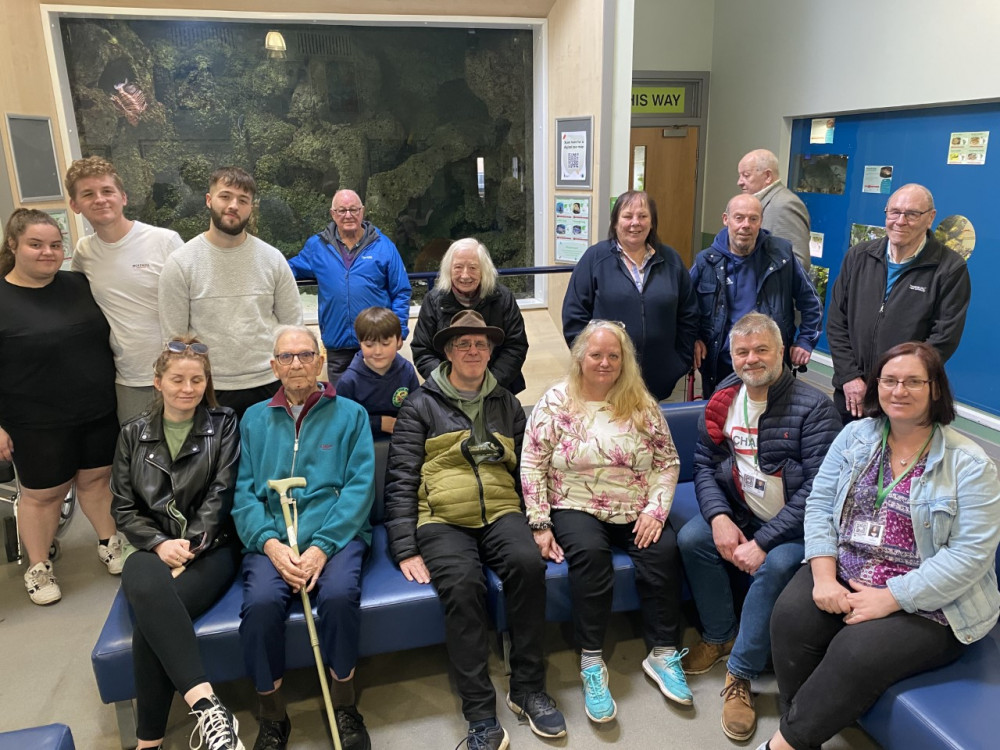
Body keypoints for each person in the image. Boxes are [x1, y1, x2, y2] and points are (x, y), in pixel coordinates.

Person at [761, 342, 1000, 750]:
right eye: (889, 380)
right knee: (790, 618)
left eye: (912, 382)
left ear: (935, 389)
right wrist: (822, 577)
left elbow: (970, 556)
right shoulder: (856, 435)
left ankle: (782, 745)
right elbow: (819, 504)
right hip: (849, 568)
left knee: (855, 652)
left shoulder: (970, 463)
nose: (898, 390)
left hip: (931, 600)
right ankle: (800, 727)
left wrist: (891, 598)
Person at [385, 310, 566, 750]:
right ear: (447, 352)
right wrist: (406, 547)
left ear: (491, 352)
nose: (472, 351)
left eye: (480, 344)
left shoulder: (505, 402)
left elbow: (529, 470)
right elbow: (402, 478)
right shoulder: (421, 404)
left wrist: (539, 524)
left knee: (528, 566)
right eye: (463, 344)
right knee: (463, 587)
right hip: (442, 518)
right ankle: (481, 714)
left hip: (502, 510)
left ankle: (527, 688)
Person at [676, 313, 841, 742]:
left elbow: (819, 494)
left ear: (782, 352)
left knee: (776, 565)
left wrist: (764, 541)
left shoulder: (815, 407)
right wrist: (718, 517)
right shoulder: (723, 400)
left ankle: (740, 674)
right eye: (742, 352)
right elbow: (705, 464)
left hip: (796, 531)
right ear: (730, 356)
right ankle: (719, 637)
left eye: (761, 350)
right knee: (693, 538)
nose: (751, 360)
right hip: (742, 512)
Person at [521, 319, 692, 723]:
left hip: (634, 503)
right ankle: (592, 661)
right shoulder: (556, 402)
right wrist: (540, 522)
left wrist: (655, 509)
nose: (604, 362)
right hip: (575, 503)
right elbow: (532, 461)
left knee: (663, 550)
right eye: (596, 354)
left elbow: (668, 462)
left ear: (624, 360)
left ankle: (664, 653)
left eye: (613, 356)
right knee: (591, 557)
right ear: (581, 356)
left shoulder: (640, 402)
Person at [232, 325, 374, 750]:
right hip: (272, 536)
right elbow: (243, 494)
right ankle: (273, 716)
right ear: (274, 366)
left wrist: (320, 548)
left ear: (321, 360)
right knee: (258, 606)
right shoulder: (254, 419)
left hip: (337, 534)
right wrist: (269, 544)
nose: (296, 364)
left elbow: (359, 488)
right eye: (287, 357)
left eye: (305, 354)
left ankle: (345, 705)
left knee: (337, 597)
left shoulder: (352, 414)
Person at [112, 337, 243, 750]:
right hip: (148, 549)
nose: (188, 389)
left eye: (197, 380)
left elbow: (222, 495)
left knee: (151, 625)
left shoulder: (224, 424)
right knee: (151, 593)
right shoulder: (132, 434)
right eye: (177, 379)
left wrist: (187, 548)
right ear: (157, 382)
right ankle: (208, 706)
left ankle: (147, 741)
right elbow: (123, 507)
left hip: (212, 547)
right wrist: (156, 544)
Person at [0, 209, 123, 605]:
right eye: (36, 244)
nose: (48, 252)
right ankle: (38, 567)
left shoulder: (79, 284)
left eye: (55, 245)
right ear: (13, 245)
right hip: (34, 420)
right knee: (43, 496)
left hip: (96, 410)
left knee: (96, 481)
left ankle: (110, 542)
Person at [159, 167, 302, 419]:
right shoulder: (181, 262)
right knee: (215, 460)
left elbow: (293, 328)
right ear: (208, 200)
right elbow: (175, 340)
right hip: (210, 388)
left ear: (251, 207)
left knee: (269, 459)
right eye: (225, 196)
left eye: (243, 200)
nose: (233, 205)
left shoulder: (272, 259)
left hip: (268, 383)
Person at [827, 183, 970, 424]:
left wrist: (895, 385)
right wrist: (849, 376)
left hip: (905, 397)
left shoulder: (949, 269)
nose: (900, 221)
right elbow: (836, 322)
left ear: (930, 218)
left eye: (912, 214)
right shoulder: (859, 256)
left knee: (899, 460)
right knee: (847, 457)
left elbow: (943, 339)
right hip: (852, 393)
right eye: (894, 212)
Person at [66, 156, 184, 423]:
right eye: (88, 194)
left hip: (180, 374)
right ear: (75, 205)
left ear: (123, 197)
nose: (100, 199)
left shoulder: (165, 241)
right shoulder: (84, 252)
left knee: (192, 458)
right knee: (139, 460)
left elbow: (196, 304)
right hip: (129, 379)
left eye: (107, 191)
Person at [563, 191, 698, 401]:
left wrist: (679, 362)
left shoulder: (671, 260)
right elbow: (574, 317)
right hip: (606, 381)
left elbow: (689, 313)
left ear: (652, 222)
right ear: (616, 222)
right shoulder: (594, 259)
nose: (635, 223)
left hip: (661, 381)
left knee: (657, 432)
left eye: (643, 216)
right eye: (627, 216)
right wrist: (591, 363)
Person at [690, 194, 822, 397]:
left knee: (770, 423)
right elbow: (685, 307)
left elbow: (811, 301)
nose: (746, 225)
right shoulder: (706, 261)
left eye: (753, 218)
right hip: (721, 364)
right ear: (726, 219)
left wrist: (805, 341)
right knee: (720, 422)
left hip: (769, 365)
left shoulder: (782, 256)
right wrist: (694, 338)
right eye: (739, 218)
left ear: (761, 221)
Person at [289, 189, 411, 385]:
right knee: (343, 409)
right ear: (333, 214)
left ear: (362, 212)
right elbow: (288, 270)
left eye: (353, 209)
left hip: (376, 343)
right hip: (338, 348)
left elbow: (401, 292)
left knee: (378, 404)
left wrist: (399, 332)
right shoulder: (317, 246)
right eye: (342, 210)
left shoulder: (384, 246)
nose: (348, 215)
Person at [411, 237, 528, 394]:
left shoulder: (503, 298)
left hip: (497, 388)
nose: (465, 275)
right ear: (448, 269)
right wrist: (449, 384)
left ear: (484, 270)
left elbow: (516, 346)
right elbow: (422, 350)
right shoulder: (433, 300)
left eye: (473, 268)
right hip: (447, 391)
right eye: (458, 267)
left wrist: (490, 384)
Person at [335, 306, 420, 438]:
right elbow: (342, 422)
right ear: (360, 343)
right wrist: (380, 423)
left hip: (403, 439)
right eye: (369, 345)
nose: (378, 352)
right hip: (363, 443)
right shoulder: (349, 381)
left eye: (385, 343)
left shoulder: (407, 370)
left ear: (398, 341)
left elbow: (417, 411)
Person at [737, 149, 811, 270]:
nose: (739, 182)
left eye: (746, 175)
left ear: (767, 176)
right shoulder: (762, 203)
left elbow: (798, 264)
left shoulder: (785, 204)